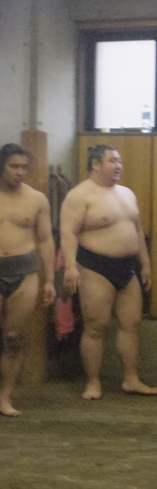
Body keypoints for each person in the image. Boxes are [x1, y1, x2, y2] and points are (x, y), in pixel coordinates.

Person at [59, 144, 157, 400]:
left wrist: (145, 264)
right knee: (95, 326)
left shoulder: (127, 193)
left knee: (131, 324)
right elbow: (68, 232)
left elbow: (137, 230)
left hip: (127, 266)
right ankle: (93, 382)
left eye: (120, 161)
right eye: (112, 161)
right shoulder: (80, 195)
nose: (118, 166)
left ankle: (131, 379)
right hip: (95, 266)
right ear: (95, 165)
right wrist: (71, 266)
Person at [0, 143, 56, 415]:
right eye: (13, 166)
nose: (19, 172)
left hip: (24, 270)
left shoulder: (36, 200)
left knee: (13, 338)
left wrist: (49, 280)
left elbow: (46, 240)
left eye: (24, 167)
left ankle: (5, 398)